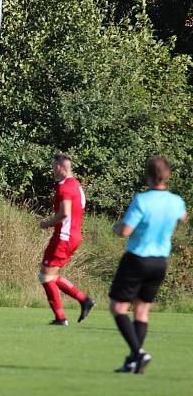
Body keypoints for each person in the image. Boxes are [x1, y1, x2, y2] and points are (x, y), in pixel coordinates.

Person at [109, 156, 187, 374]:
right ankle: (134, 362)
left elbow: (125, 230)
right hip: (160, 262)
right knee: (142, 311)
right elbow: (183, 217)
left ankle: (139, 353)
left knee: (118, 307)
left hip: (138, 259)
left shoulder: (142, 200)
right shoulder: (176, 201)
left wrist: (116, 227)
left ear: (148, 176)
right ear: (168, 175)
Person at [38, 153, 95, 326]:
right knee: (49, 275)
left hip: (64, 237)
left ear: (59, 167)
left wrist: (47, 223)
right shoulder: (76, 184)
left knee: (46, 277)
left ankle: (61, 317)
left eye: (53, 167)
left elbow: (65, 213)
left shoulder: (64, 187)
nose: (52, 171)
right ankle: (83, 301)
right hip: (73, 235)